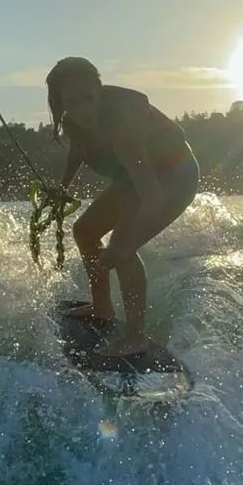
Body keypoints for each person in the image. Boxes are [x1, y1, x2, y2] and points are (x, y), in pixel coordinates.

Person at [46, 56, 198, 356]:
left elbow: (153, 199)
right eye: (72, 104)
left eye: (88, 99)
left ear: (98, 90)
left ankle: (135, 337)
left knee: (124, 244)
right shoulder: (73, 121)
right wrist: (63, 187)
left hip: (175, 176)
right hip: (137, 176)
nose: (83, 110)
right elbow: (78, 150)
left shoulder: (124, 131)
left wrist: (120, 247)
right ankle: (101, 308)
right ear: (62, 104)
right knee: (85, 231)